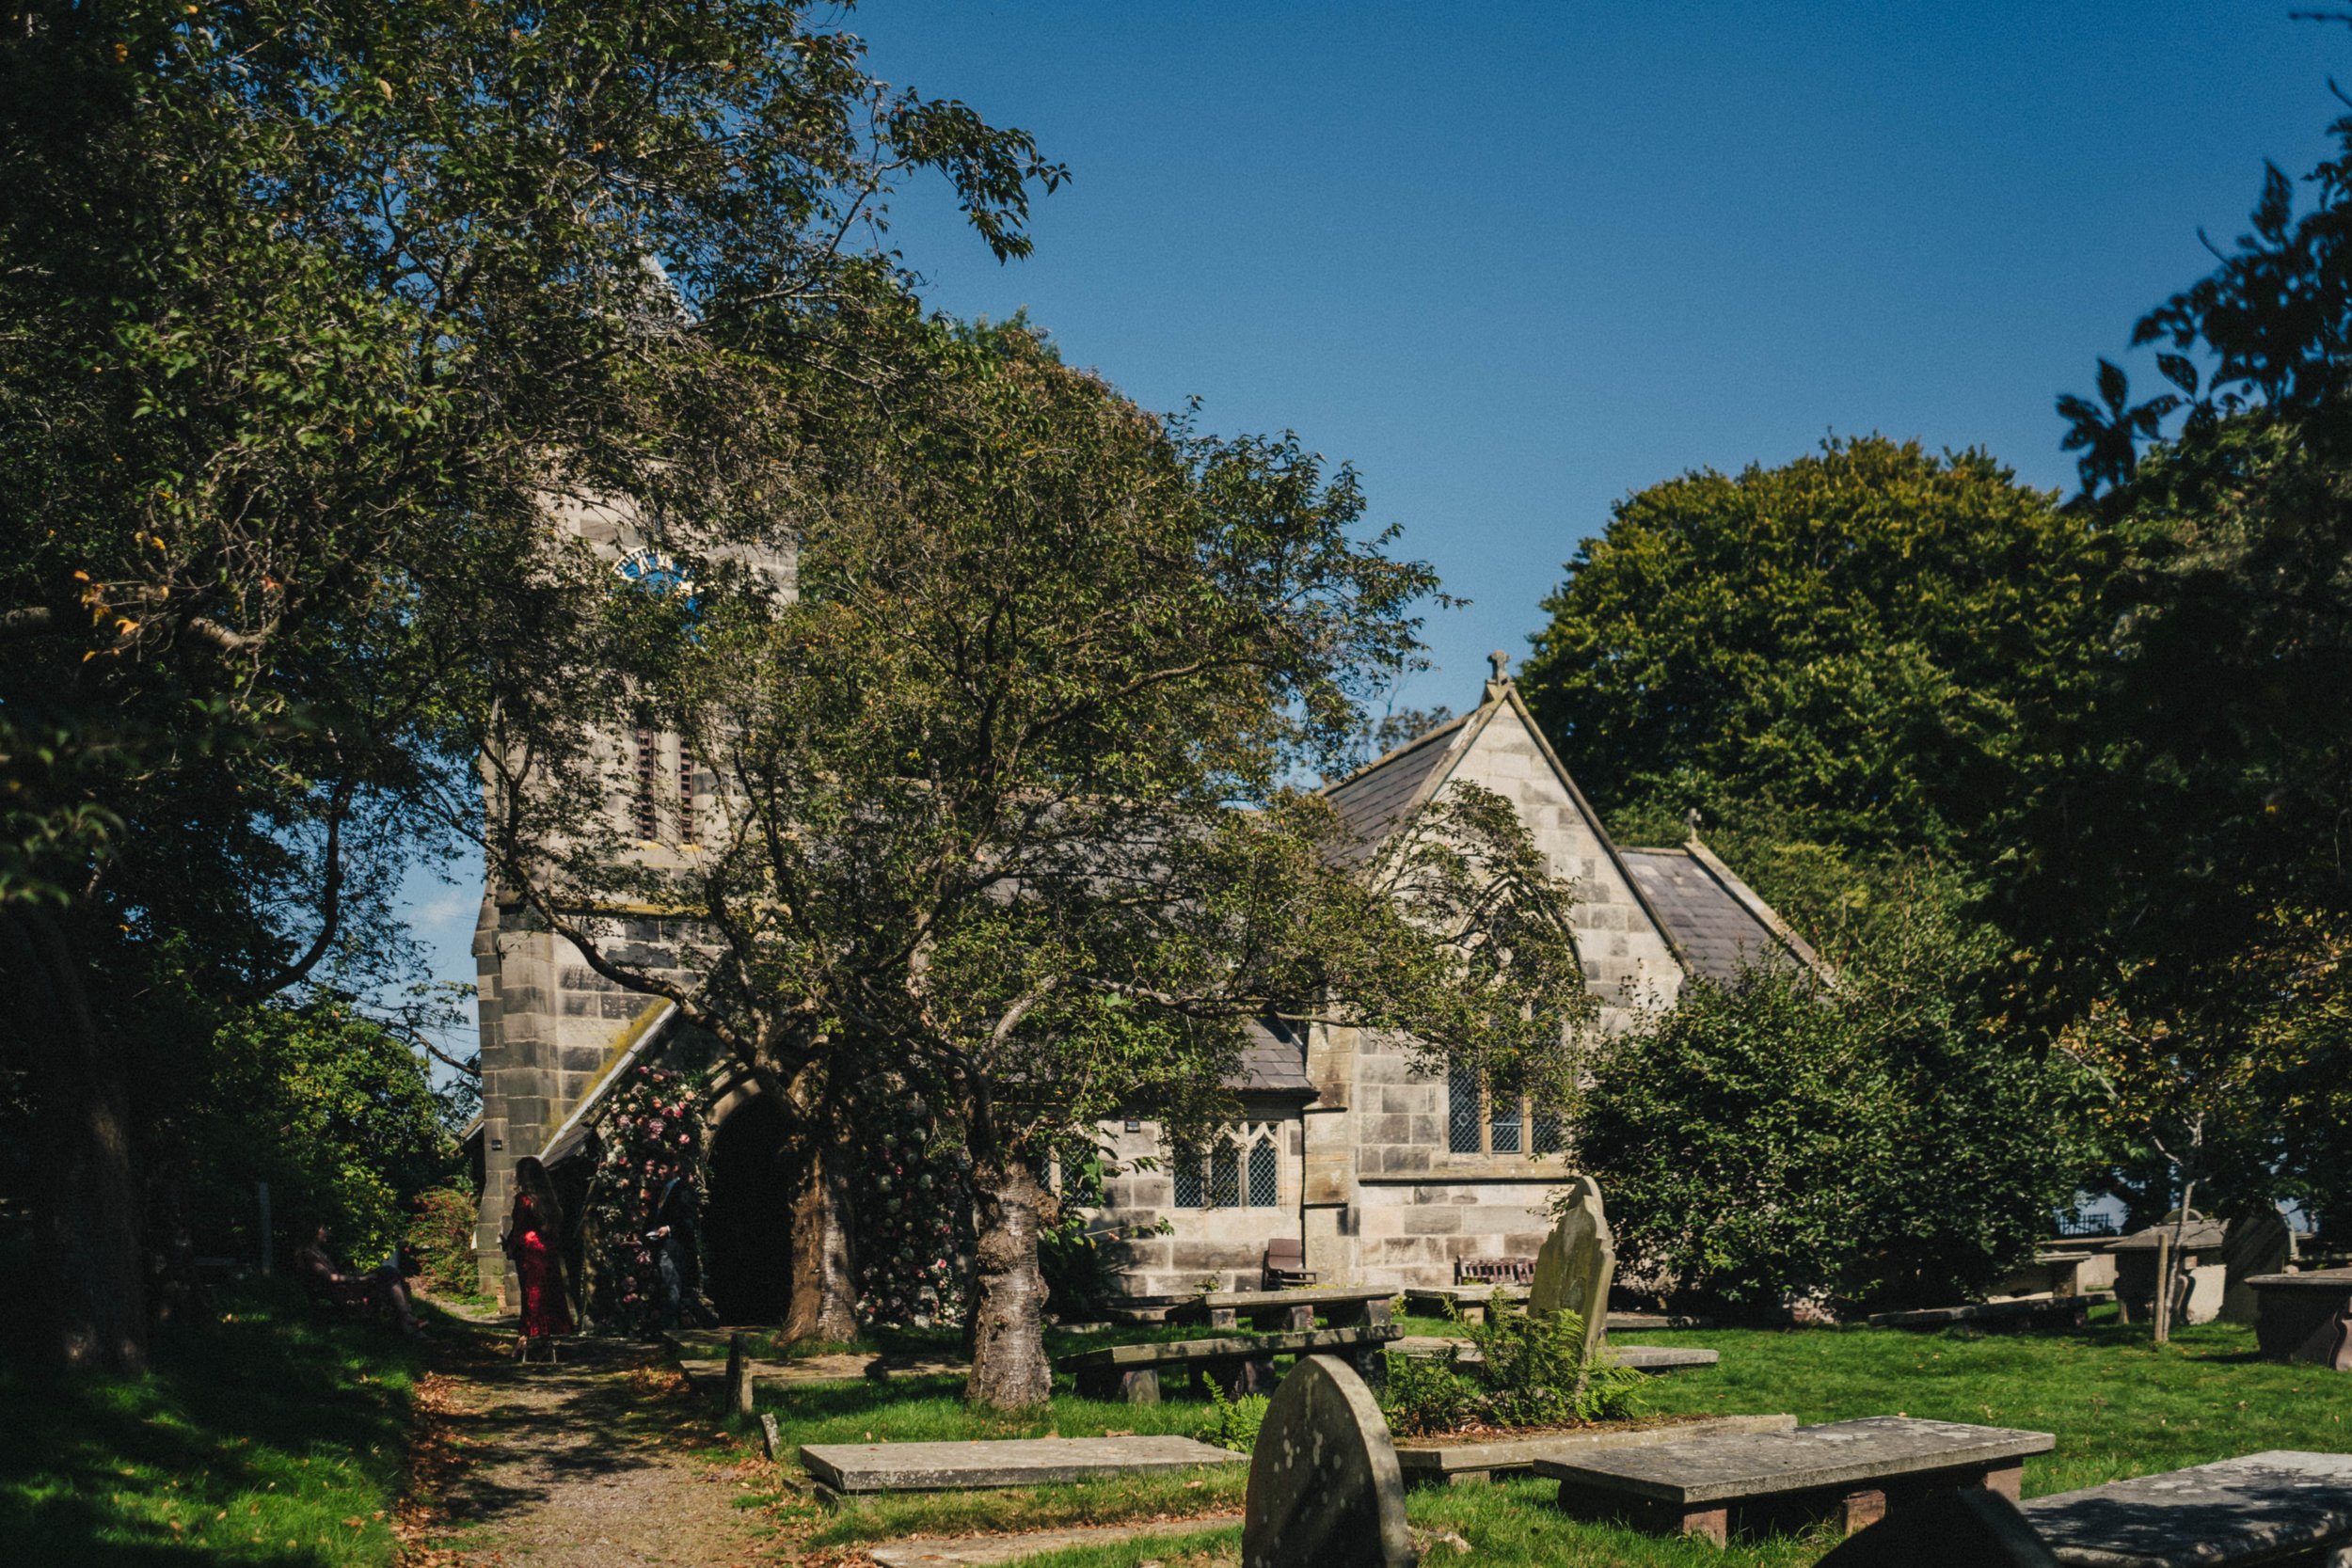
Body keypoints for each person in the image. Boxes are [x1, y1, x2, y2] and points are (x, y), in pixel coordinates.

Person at [501, 1157, 574, 1362]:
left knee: (531, 1296)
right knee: (547, 1295)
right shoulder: (548, 1199)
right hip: (547, 1252)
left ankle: (524, 1338)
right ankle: (544, 1339)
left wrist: (510, 1246)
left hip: (530, 1252)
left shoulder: (523, 1200)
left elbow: (519, 1229)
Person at [294, 1223, 421, 1337]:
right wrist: (360, 1278)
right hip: (340, 1292)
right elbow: (330, 1278)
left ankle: (406, 1320)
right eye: (323, 1229)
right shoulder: (309, 1254)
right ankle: (406, 1319)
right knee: (388, 1274)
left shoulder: (317, 1252)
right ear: (314, 1232)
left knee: (390, 1274)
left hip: (343, 1288)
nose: (327, 1232)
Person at [644, 1158, 711, 1330]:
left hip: (676, 1247)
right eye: (657, 1168)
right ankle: (707, 1322)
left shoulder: (683, 1190)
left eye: (662, 1167)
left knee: (672, 1286)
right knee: (677, 1289)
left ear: (674, 1168)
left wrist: (668, 1229)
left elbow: (689, 1220)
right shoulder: (662, 1190)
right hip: (662, 1245)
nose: (658, 1172)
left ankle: (667, 1329)